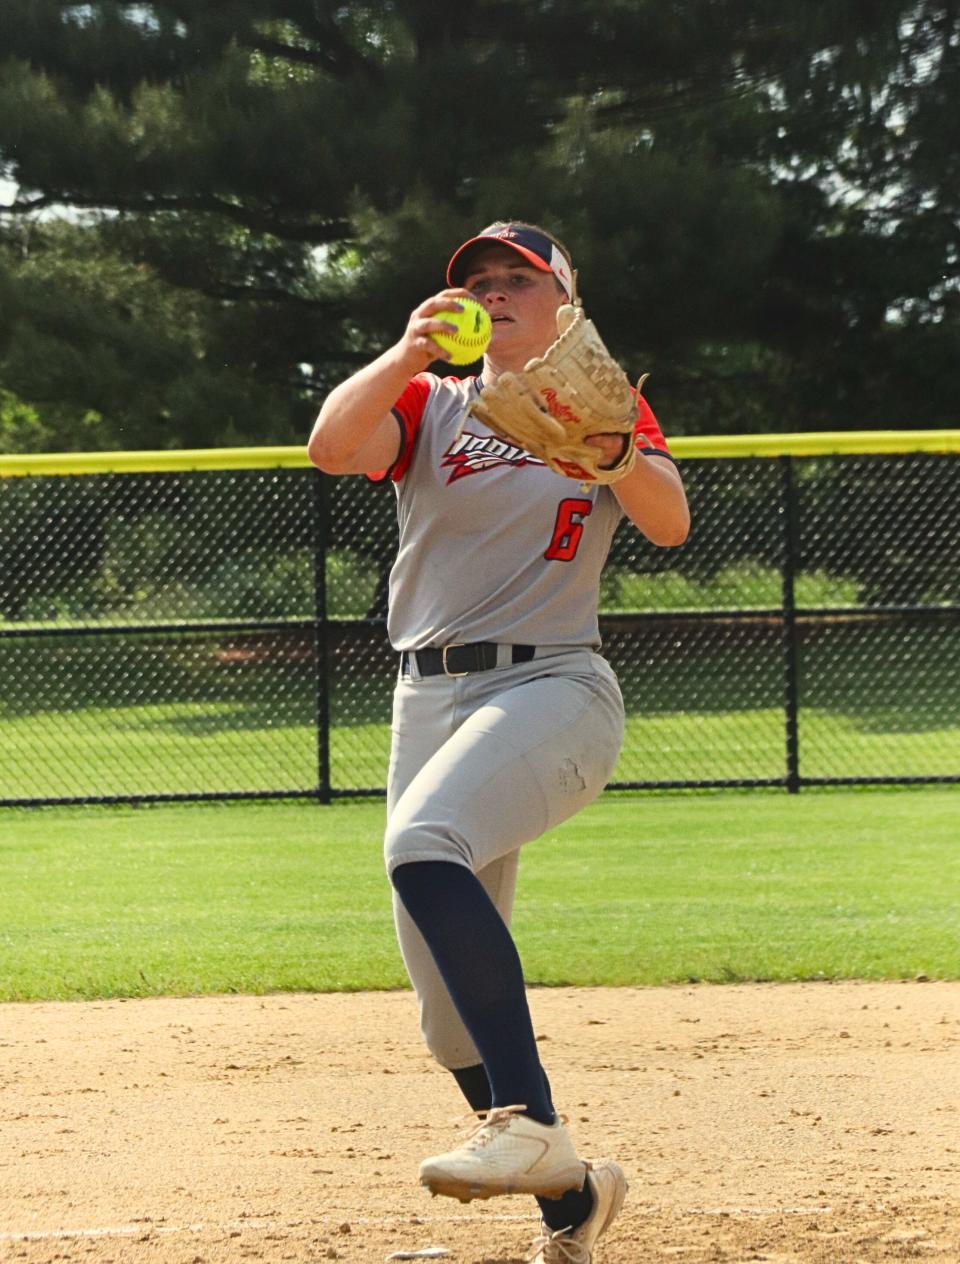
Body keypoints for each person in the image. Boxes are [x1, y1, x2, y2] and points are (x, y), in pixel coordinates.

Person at [307, 221, 689, 1262]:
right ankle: (574, 1198)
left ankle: (525, 1125)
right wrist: (408, 353)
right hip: (426, 696)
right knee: (444, 1027)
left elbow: (667, 521)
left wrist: (611, 451)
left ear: (565, 303)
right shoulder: (433, 405)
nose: (494, 289)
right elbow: (333, 446)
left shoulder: (602, 402)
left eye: (517, 278)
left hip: (556, 680)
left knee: (422, 842)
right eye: (479, 279)